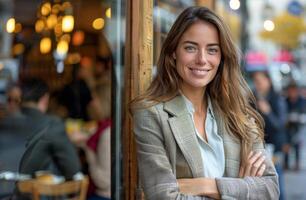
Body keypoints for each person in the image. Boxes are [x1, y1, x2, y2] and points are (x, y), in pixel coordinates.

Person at [131, 6, 279, 199]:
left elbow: (270, 189)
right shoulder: (151, 114)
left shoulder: (238, 113)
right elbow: (164, 196)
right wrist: (241, 188)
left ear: (221, 57)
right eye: (190, 48)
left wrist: (206, 185)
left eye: (212, 50)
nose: (202, 59)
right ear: (174, 51)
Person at [16, 78, 82, 179]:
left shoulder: (6, 121)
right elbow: (73, 170)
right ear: (45, 99)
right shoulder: (52, 124)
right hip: (35, 192)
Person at [251, 71, 287, 200]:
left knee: (276, 181)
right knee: (260, 184)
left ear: (268, 81)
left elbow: (280, 125)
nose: (258, 84)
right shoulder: (253, 98)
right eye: (256, 82)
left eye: (260, 81)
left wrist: (268, 111)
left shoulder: (277, 98)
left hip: (274, 147)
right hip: (258, 147)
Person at [285, 82, 306, 171]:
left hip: (298, 126)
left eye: (293, 91)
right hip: (288, 126)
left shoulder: (302, 101)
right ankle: (286, 163)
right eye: (290, 91)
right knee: (286, 144)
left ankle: (297, 164)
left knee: (297, 144)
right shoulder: (285, 101)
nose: (292, 93)